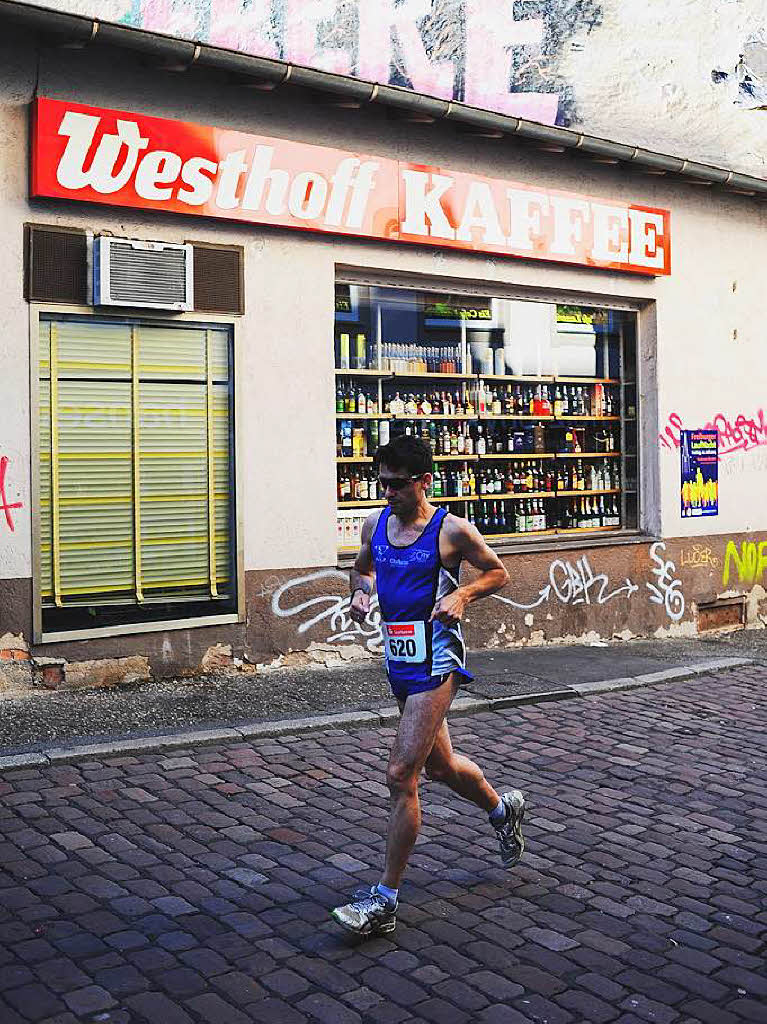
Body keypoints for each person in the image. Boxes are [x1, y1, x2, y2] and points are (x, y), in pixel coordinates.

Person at [331, 434, 526, 939]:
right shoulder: (375, 524)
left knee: (401, 774)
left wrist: (463, 593)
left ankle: (386, 899)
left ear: (424, 481)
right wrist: (360, 595)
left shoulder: (451, 530)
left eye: (396, 485)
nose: (386, 493)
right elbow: (363, 571)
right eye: (381, 483)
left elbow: (498, 573)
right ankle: (503, 810)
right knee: (439, 765)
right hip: (399, 658)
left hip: (438, 659)